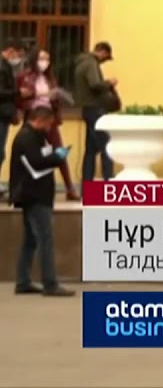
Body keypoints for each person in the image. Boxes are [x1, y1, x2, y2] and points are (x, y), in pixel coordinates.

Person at [8, 105, 75, 297]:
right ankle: (50, 283)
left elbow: (41, 156)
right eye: (48, 124)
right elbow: (36, 162)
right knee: (45, 239)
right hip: (34, 195)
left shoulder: (35, 136)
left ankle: (23, 281)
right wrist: (58, 157)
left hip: (35, 194)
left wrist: (54, 154)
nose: (49, 128)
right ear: (39, 120)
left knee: (30, 240)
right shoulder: (27, 138)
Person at [16, 50, 78, 200]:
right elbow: (19, 98)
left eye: (48, 59)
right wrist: (40, 95)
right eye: (42, 58)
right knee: (28, 153)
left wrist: (57, 97)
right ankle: (20, 187)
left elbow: (55, 100)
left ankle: (69, 187)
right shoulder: (24, 76)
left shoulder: (49, 78)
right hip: (33, 117)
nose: (45, 62)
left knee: (58, 150)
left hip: (49, 118)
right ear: (34, 59)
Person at [73, 41, 116, 190]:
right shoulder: (91, 63)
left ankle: (87, 187)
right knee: (106, 147)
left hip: (87, 109)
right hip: (95, 109)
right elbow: (95, 84)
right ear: (102, 51)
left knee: (90, 150)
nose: (104, 60)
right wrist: (109, 83)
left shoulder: (81, 63)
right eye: (106, 57)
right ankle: (109, 183)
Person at [0, 39, 28, 201]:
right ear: (11, 51)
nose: (19, 59)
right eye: (19, 54)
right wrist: (18, 93)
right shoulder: (2, 67)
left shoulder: (5, 66)